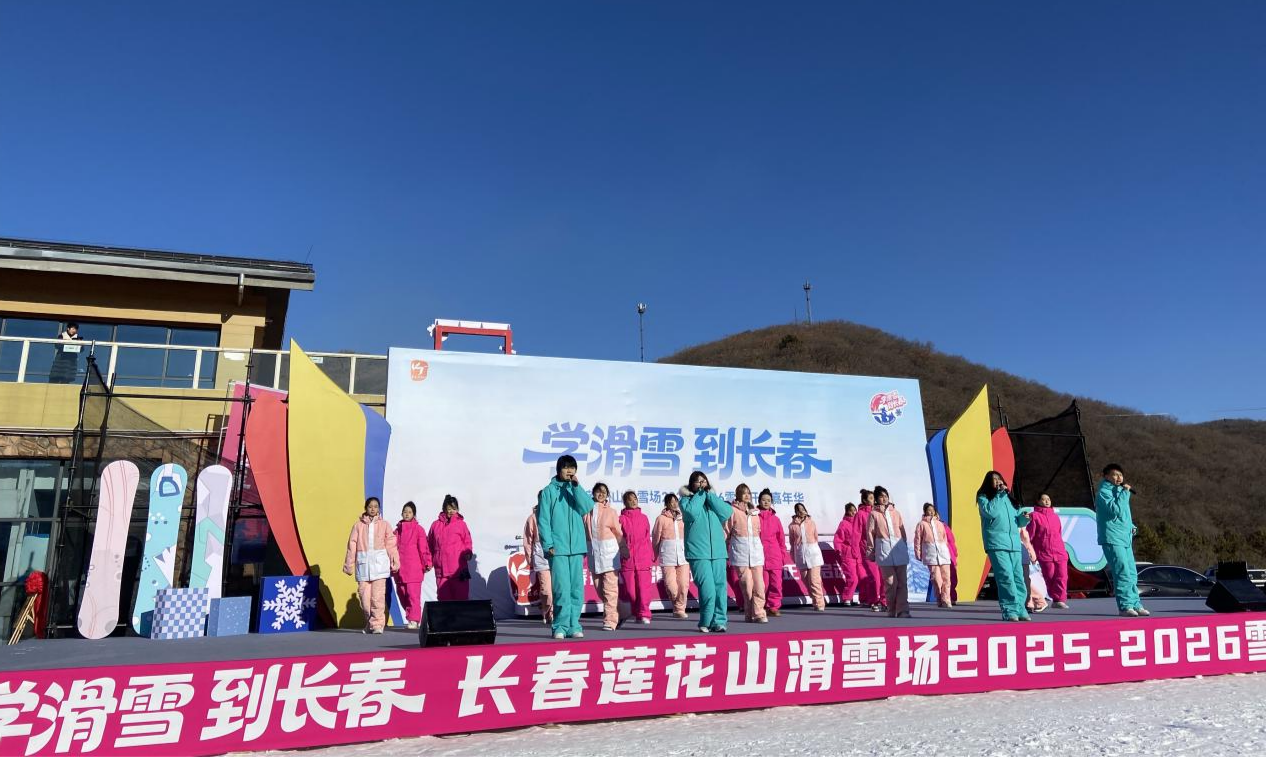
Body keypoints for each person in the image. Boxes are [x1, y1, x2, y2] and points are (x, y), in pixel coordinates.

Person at [537, 454, 596, 639]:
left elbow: (587, 507)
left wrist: (576, 487)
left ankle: (574, 625)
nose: (569, 471)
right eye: (566, 467)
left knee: (576, 589)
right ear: (559, 469)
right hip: (558, 548)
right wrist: (548, 544)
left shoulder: (575, 488)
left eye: (572, 467)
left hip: (576, 547)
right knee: (561, 589)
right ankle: (560, 626)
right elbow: (543, 520)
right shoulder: (549, 491)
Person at [679, 470, 733, 633]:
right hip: (698, 553)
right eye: (698, 481)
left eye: (704, 481)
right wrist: (701, 495)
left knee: (720, 588)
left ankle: (719, 621)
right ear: (692, 484)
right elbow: (691, 513)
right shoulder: (686, 501)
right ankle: (706, 621)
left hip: (718, 552)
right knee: (707, 589)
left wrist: (710, 496)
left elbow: (727, 512)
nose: (701, 483)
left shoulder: (712, 500)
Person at [977, 471, 1030, 622]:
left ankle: (1020, 609)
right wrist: (999, 495)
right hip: (996, 543)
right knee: (1005, 577)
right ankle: (1010, 610)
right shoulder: (984, 498)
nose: (998, 481)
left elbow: (1017, 522)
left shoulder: (1008, 498)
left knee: (1018, 579)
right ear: (988, 483)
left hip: (1014, 544)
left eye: (999, 479)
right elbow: (990, 513)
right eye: (994, 479)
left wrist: (1024, 519)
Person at [1097, 463, 1148, 618]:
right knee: (1122, 572)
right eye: (1114, 474)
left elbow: (1124, 515)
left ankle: (1135, 604)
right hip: (1112, 537)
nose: (1118, 478)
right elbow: (1116, 511)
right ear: (1106, 476)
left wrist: (1131, 526)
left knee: (1132, 573)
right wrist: (1125, 494)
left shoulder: (1120, 492)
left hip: (1125, 538)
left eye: (1120, 475)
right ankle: (1125, 606)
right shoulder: (1103, 492)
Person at [342, 497, 400, 634]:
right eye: (370, 506)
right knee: (365, 599)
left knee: (377, 598)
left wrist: (394, 561)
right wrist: (349, 564)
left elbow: (391, 544)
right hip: (363, 567)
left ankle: (377, 625)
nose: (373, 509)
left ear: (379, 508)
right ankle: (370, 623)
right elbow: (352, 546)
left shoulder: (385, 525)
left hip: (380, 567)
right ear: (366, 508)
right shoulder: (358, 526)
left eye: (376, 506)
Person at [724, 483, 766, 623]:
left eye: (749, 492)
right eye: (744, 493)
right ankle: (749, 613)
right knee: (747, 586)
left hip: (756, 554)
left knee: (759, 586)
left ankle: (759, 613)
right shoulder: (732, 511)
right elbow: (726, 531)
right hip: (740, 553)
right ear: (738, 495)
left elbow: (758, 532)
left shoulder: (755, 512)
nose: (747, 495)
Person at [585, 482, 624, 631]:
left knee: (610, 589)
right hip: (594, 555)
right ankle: (621, 610)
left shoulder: (611, 512)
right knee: (599, 588)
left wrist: (623, 548)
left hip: (609, 554)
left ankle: (610, 621)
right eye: (598, 491)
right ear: (593, 493)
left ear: (607, 495)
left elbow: (618, 533)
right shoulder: (586, 511)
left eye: (604, 492)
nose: (601, 494)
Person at [867, 486, 911, 618]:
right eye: (881, 496)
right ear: (876, 499)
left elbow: (902, 531)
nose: (884, 498)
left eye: (885, 496)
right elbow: (870, 533)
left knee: (902, 583)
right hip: (884, 551)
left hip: (899, 550)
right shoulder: (873, 514)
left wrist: (904, 544)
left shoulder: (896, 513)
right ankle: (891, 609)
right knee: (891, 583)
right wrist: (871, 551)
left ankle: (903, 610)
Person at [1027, 493, 1070, 609]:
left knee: (1062, 576)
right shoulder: (1034, 516)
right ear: (1038, 501)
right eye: (1043, 499)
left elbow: (1059, 534)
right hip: (1044, 553)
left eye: (1048, 499)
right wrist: (1031, 551)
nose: (1047, 501)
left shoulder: (1055, 516)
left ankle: (1059, 600)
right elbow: (1030, 536)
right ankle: (1055, 598)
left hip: (1059, 552)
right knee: (1050, 577)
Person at [393, 501, 432, 629]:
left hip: (414, 569)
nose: (407, 514)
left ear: (414, 514)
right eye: (405, 512)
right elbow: (391, 549)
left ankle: (414, 619)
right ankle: (411, 616)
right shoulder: (397, 531)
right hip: (400, 569)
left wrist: (427, 562)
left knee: (413, 596)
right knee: (402, 594)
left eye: (409, 512)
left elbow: (424, 548)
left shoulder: (418, 530)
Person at [618, 491, 654, 625]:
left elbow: (647, 538)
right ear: (625, 502)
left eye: (635, 499)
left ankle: (644, 614)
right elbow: (618, 539)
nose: (633, 501)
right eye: (629, 499)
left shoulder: (644, 518)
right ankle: (634, 612)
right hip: (627, 560)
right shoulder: (621, 519)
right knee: (630, 591)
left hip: (643, 558)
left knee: (644, 589)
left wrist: (650, 555)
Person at [429, 495, 474, 601]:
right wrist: (429, 562)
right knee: (444, 601)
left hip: (459, 570)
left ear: (457, 509)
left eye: (454, 508)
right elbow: (430, 545)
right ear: (444, 509)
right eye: (449, 508)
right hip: (441, 571)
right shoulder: (435, 525)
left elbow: (467, 541)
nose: (451, 511)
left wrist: (468, 553)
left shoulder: (461, 524)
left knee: (461, 600)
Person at [653, 492, 691, 619]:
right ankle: (677, 604)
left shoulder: (683, 517)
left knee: (683, 585)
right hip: (667, 556)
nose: (674, 504)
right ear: (666, 504)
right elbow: (656, 537)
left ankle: (679, 609)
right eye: (671, 502)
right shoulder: (661, 519)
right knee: (671, 586)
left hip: (683, 556)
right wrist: (655, 553)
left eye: (675, 501)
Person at [757, 489, 792, 617]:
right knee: (763, 585)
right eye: (763, 500)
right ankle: (760, 606)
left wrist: (783, 555)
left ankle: (773, 607)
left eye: (768, 500)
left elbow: (781, 539)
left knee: (776, 584)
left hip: (775, 556)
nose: (766, 502)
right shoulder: (754, 517)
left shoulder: (776, 519)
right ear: (759, 501)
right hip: (760, 556)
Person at [914, 503, 954, 608]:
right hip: (930, 553)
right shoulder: (921, 524)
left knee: (946, 578)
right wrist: (918, 553)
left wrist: (947, 550)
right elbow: (917, 539)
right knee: (936, 579)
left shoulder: (940, 524)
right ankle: (939, 598)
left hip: (943, 553)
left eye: (933, 510)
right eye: (929, 510)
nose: (931, 512)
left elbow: (945, 539)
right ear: (925, 511)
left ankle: (946, 599)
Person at [789, 503, 826, 611]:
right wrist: (794, 556)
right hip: (801, 555)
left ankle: (819, 604)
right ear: (796, 512)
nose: (801, 511)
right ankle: (816, 598)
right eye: (798, 510)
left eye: (803, 509)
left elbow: (816, 537)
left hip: (813, 554)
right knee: (806, 580)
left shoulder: (811, 522)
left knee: (814, 581)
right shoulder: (792, 525)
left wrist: (812, 547)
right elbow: (792, 542)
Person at [523, 499, 553, 625]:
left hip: (557, 556)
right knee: (546, 590)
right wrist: (529, 558)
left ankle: (554, 614)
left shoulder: (556, 514)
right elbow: (528, 540)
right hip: (541, 557)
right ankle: (547, 611)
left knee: (558, 588)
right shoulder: (532, 518)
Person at [855, 489, 885, 612]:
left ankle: (884, 601)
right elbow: (856, 534)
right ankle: (874, 601)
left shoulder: (879, 512)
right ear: (864, 500)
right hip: (867, 550)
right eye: (871, 498)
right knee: (874, 577)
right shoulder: (860, 514)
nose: (873, 500)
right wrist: (855, 552)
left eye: (874, 498)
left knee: (884, 577)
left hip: (882, 548)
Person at [832, 502, 862, 606]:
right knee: (853, 578)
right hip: (848, 554)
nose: (853, 512)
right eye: (851, 510)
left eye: (855, 510)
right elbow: (838, 538)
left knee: (863, 577)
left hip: (859, 554)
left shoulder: (859, 523)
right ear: (847, 512)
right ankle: (847, 598)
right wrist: (839, 550)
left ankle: (863, 598)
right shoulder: (844, 523)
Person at [1018, 522, 1048, 613]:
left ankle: (1039, 600)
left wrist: (1031, 552)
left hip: (1018, 550)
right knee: (1022, 578)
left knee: (1022, 578)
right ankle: (1031, 602)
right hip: (1017, 549)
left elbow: (1025, 537)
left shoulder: (1018, 519)